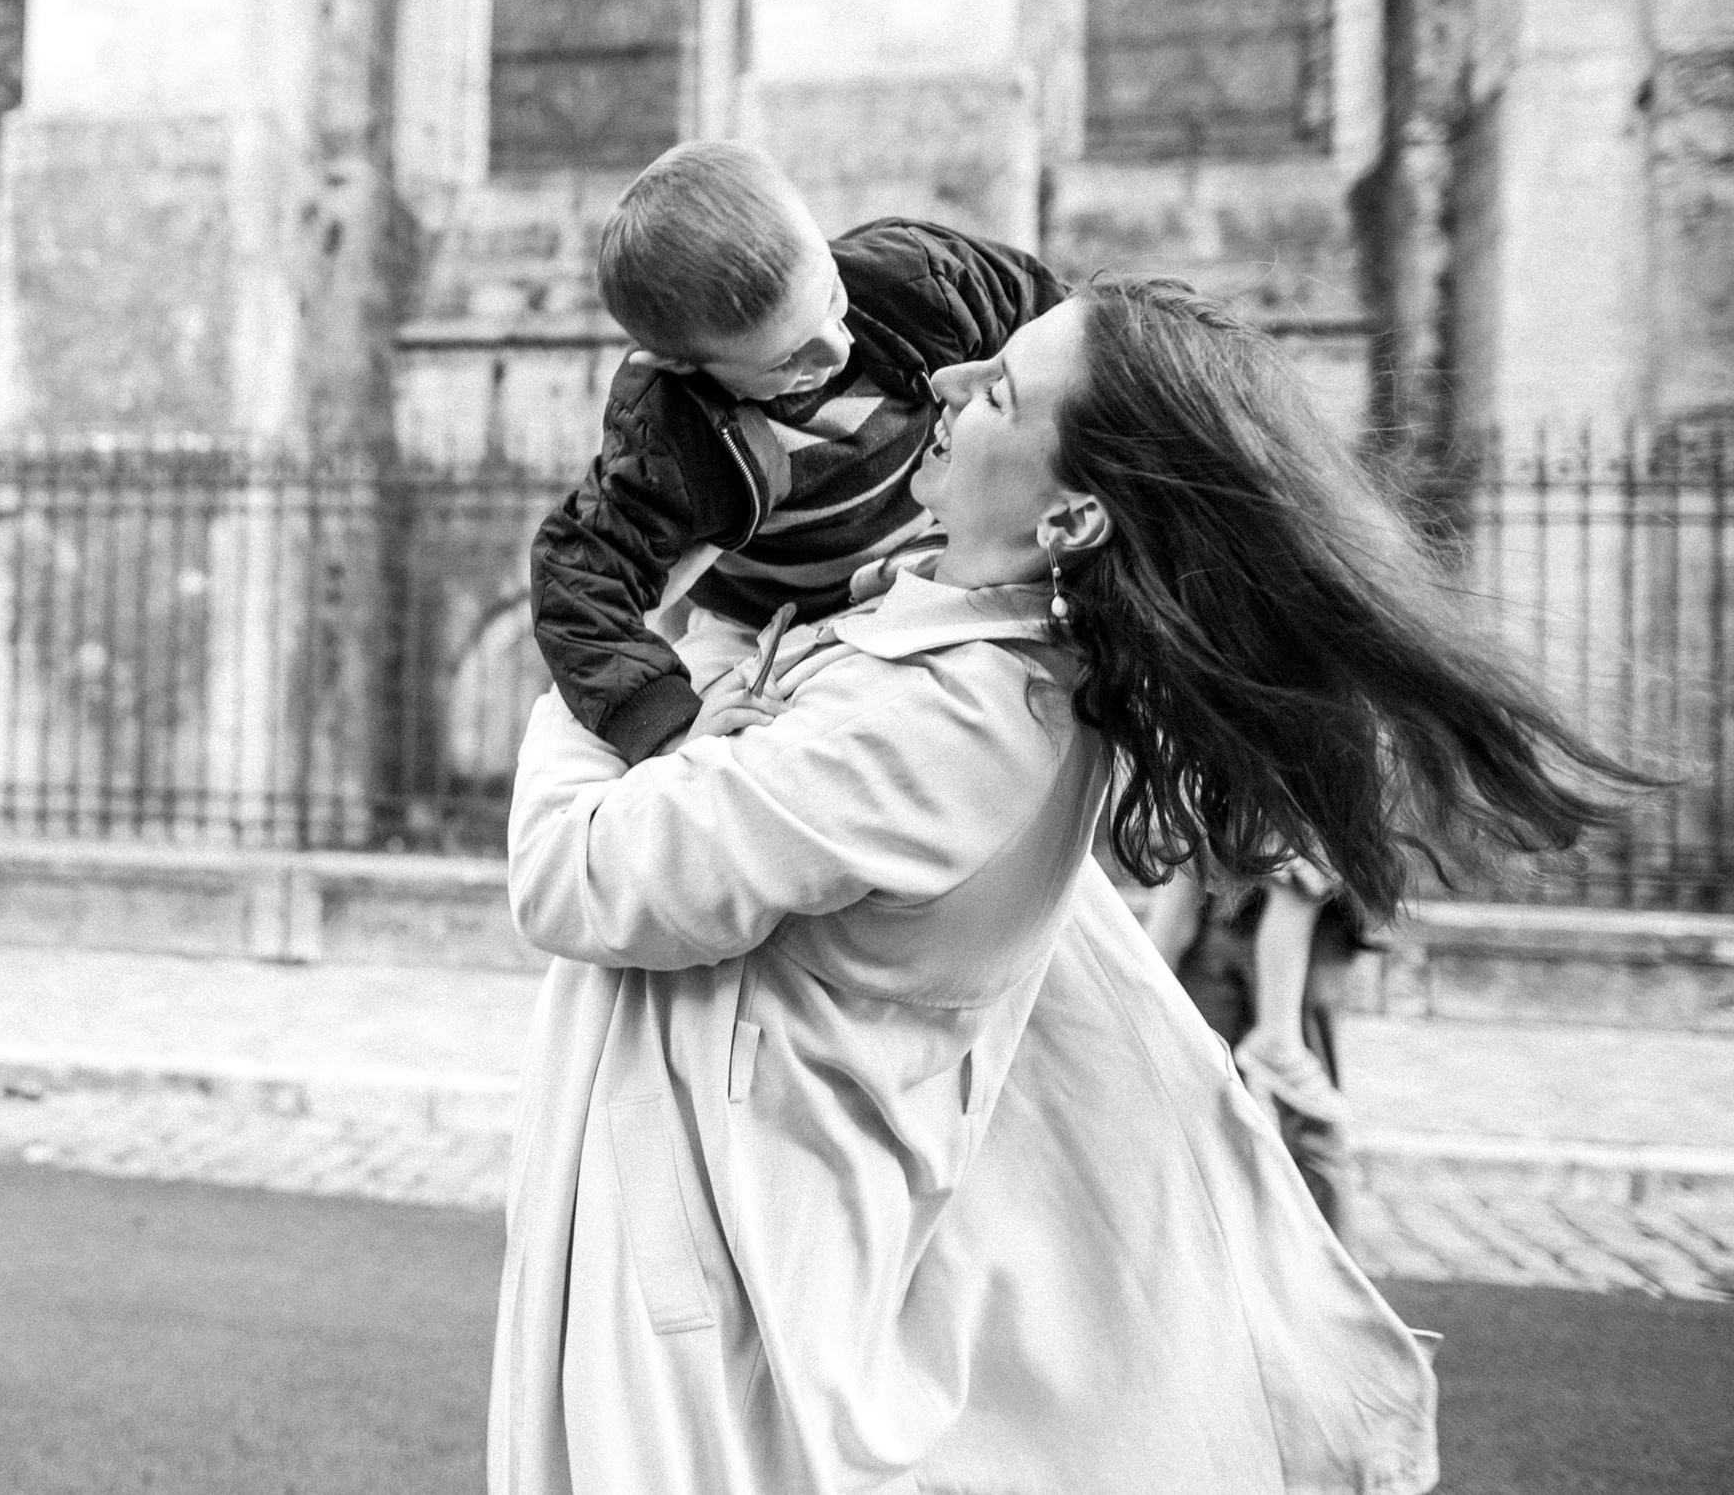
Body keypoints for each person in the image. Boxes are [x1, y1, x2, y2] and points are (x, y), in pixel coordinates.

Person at [494, 276, 1645, 1493]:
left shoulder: (950, 721)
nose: (941, 381)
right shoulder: (946, 663)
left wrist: (613, 637)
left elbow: (576, 873)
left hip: (717, 1284)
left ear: (1070, 523)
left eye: (996, 389)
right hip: (726, 1236)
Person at [530, 140, 1066, 762]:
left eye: (831, 299)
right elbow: (578, 580)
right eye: (787, 360)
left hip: (938, 561)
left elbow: (1060, 335)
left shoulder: (918, 280)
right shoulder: (671, 433)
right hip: (766, 624)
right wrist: (668, 724)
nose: (835, 351)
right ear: (682, 365)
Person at [1147, 854, 1364, 1235]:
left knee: (1307, 1118)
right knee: (1198, 1117)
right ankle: (1210, 1260)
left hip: (1301, 932)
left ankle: (1322, 1275)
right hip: (1221, 919)